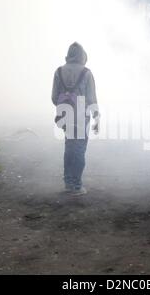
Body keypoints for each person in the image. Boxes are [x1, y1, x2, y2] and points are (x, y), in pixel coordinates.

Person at [52, 42, 99, 196]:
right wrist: (96, 118)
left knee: (69, 147)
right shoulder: (86, 73)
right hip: (81, 116)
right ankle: (76, 186)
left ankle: (68, 183)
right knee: (79, 149)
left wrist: (66, 102)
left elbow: (54, 97)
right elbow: (92, 99)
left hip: (65, 115)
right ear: (82, 56)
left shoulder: (59, 71)